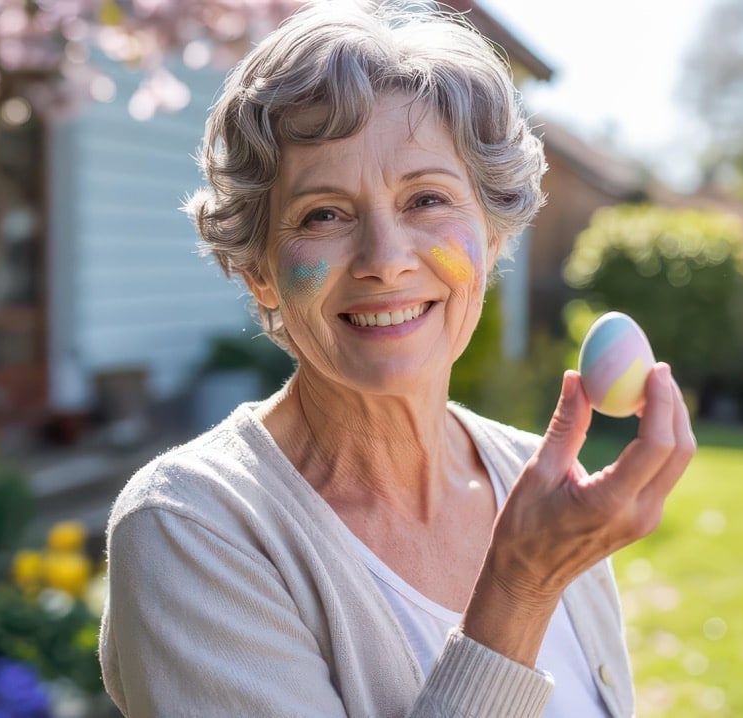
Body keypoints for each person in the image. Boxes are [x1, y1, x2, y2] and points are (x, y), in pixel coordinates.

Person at [97, 2, 696, 716]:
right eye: (324, 213)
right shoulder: (194, 529)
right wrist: (520, 587)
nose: (385, 261)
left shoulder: (545, 490)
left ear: (493, 237)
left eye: (426, 200)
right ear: (257, 268)